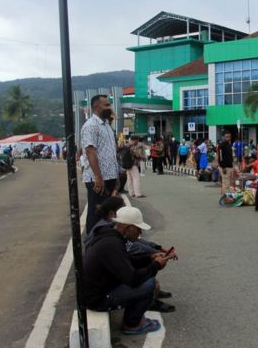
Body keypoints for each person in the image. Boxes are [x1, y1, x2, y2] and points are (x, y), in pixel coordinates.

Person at [84, 206, 170, 335]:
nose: (140, 233)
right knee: (149, 283)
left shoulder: (110, 236)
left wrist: (150, 257)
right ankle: (132, 325)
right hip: (98, 300)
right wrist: (156, 265)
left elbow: (126, 260)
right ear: (127, 227)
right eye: (138, 229)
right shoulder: (113, 244)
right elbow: (132, 279)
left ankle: (132, 318)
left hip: (99, 289)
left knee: (145, 275)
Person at [80, 95, 120, 234]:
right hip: (97, 179)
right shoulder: (91, 125)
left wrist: (116, 176)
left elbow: (111, 152)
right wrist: (98, 177)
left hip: (109, 177)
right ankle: (91, 243)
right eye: (106, 105)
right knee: (96, 213)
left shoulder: (107, 126)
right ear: (96, 107)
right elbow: (90, 151)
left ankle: (104, 242)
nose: (110, 108)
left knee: (108, 214)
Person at [217, 130, 235, 197]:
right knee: (226, 183)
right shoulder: (222, 145)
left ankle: (224, 196)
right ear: (224, 137)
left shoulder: (229, 145)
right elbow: (220, 157)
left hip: (229, 166)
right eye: (226, 137)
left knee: (226, 182)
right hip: (225, 167)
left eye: (229, 137)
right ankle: (226, 198)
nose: (228, 138)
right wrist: (223, 167)